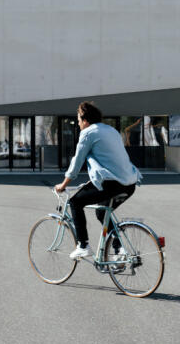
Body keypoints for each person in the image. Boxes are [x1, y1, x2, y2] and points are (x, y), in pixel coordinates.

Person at [54, 101, 142, 260]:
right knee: (102, 212)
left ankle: (83, 245)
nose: (78, 123)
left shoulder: (88, 132)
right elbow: (109, 159)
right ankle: (119, 251)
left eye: (79, 119)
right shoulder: (111, 130)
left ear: (85, 119)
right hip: (129, 184)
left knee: (75, 202)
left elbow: (77, 162)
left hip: (112, 184)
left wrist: (63, 185)